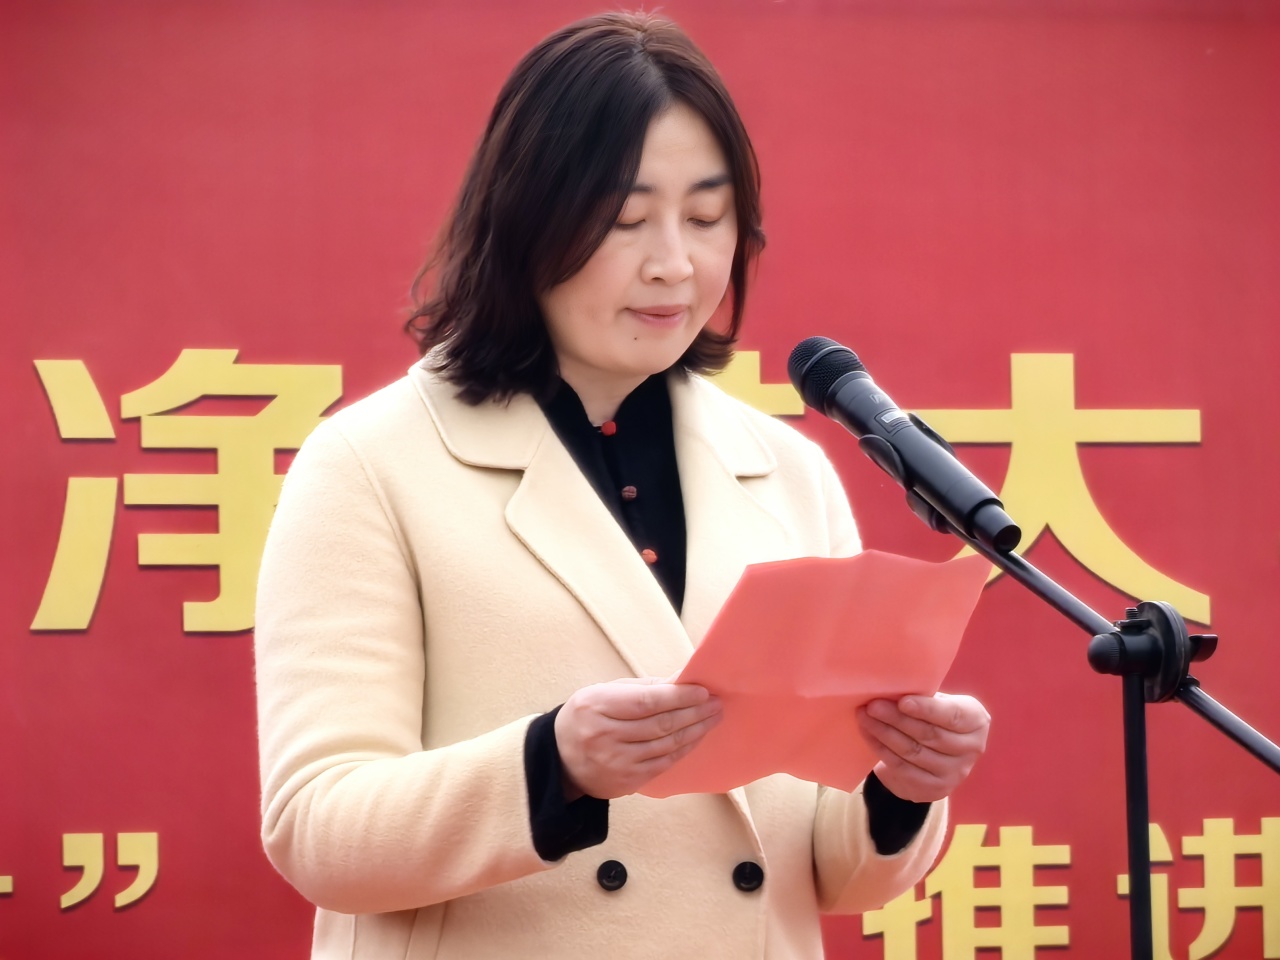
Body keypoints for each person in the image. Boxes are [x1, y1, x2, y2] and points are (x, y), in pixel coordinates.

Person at [254, 12, 990, 959]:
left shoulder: (788, 470)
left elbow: (832, 873)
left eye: (707, 218)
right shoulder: (370, 462)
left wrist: (900, 783)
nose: (674, 263)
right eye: (626, 220)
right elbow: (318, 827)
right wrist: (551, 764)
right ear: (527, 222)